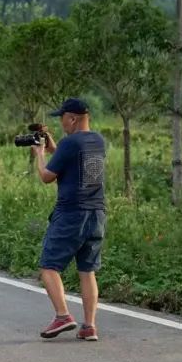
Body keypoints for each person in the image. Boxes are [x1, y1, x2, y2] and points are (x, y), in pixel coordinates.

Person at [32, 97, 107, 341]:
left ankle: (63, 316)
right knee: (87, 270)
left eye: (63, 118)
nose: (61, 123)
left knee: (49, 266)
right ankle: (90, 326)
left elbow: (47, 176)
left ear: (72, 118)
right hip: (96, 214)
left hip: (71, 213)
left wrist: (39, 154)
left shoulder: (70, 143)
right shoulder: (97, 140)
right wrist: (52, 144)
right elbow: (69, 158)